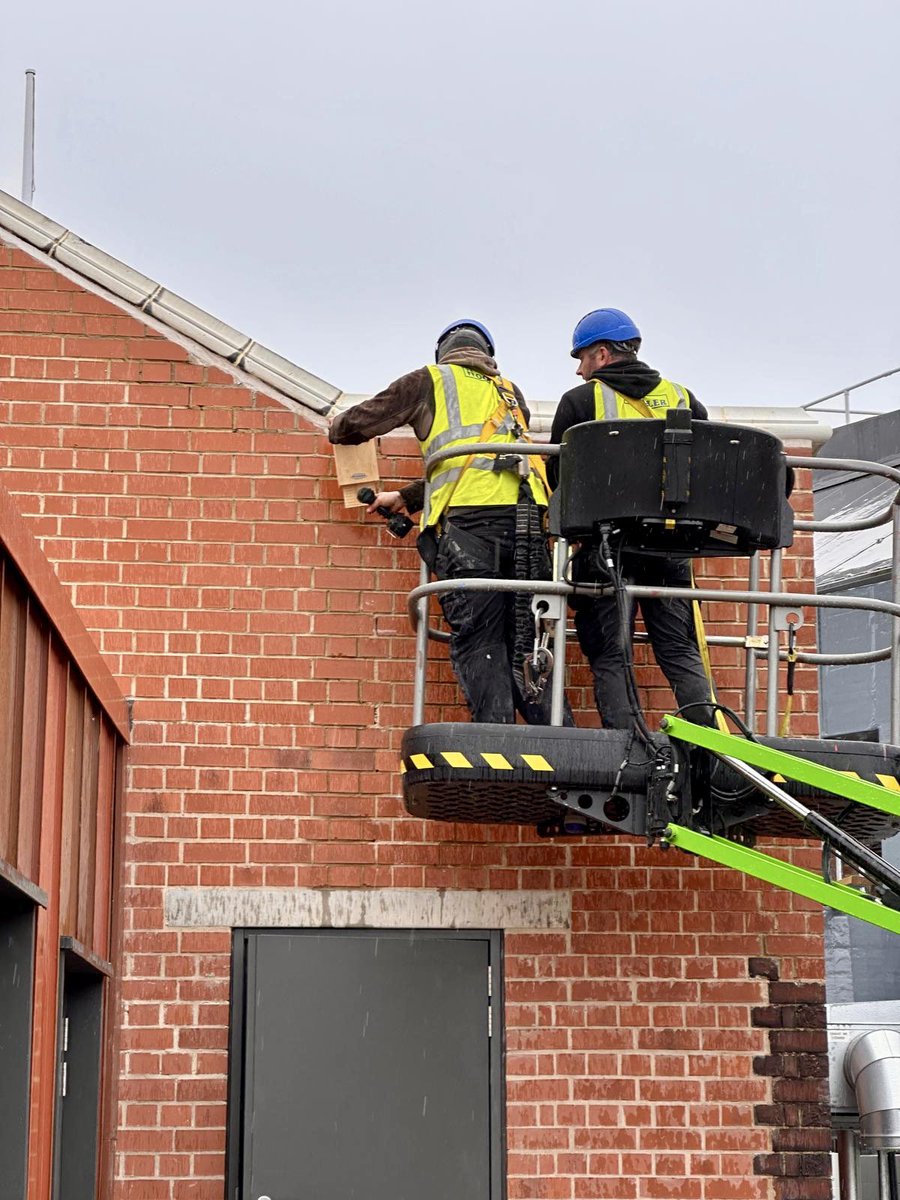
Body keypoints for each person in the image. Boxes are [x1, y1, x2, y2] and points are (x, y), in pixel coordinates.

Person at [330, 319, 569, 726]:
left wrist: (335, 424)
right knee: (530, 646)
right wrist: (407, 498)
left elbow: (350, 427)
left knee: (482, 640)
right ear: (488, 356)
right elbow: (478, 462)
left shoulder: (429, 381)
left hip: (472, 528)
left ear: (444, 353)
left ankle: (497, 754)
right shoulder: (510, 394)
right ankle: (564, 754)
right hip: (530, 526)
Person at [548, 307, 716, 729]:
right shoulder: (683, 397)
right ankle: (709, 756)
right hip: (671, 547)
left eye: (582, 359)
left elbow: (558, 477)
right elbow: (708, 466)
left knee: (611, 652)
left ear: (602, 355)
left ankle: (628, 751)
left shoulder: (580, 402)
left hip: (607, 549)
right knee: (679, 650)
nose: (579, 371)